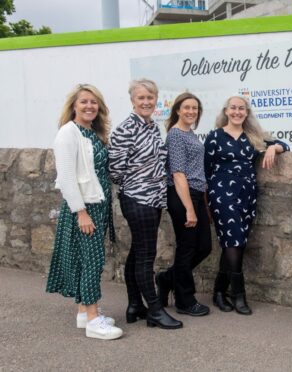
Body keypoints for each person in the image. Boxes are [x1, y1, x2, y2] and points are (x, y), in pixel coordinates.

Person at [46, 83, 123, 340]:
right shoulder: (68, 133)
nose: (90, 106)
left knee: (87, 259)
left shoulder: (92, 132)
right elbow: (67, 177)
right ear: (74, 106)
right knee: (92, 262)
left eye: (94, 102)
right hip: (84, 208)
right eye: (84, 102)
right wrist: (81, 212)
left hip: (97, 206)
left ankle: (83, 312)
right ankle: (93, 320)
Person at [204, 95, 289, 315]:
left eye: (241, 109)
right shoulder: (214, 136)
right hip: (222, 194)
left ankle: (219, 292)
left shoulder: (253, 137)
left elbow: (284, 145)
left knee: (234, 242)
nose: (237, 112)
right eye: (233, 108)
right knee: (235, 241)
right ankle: (239, 295)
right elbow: (206, 170)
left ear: (247, 112)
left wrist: (273, 149)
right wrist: (206, 203)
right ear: (226, 110)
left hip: (247, 195)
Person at [109, 79, 182, 329]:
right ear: (133, 100)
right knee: (146, 256)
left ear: (156, 100)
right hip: (137, 199)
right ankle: (154, 310)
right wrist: (137, 184)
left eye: (150, 98)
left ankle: (134, 306)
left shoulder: (152, 127)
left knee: (137, 253)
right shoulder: (125, 129)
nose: (146, 102)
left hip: (153, 199)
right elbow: (115, 170)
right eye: (141, 98)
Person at [155, 92, 212, 316]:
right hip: (181, 195)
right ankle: (185, 301)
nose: (191, 111)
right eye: (186, 107)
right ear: (177, 110)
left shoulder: (191, 134)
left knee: (204, 246)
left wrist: (201, 203)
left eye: (195, 108)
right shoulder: (176, 135)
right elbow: (178, 174)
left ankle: (167, 278)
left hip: (197, 194)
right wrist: (189, 208)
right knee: (187, 248)